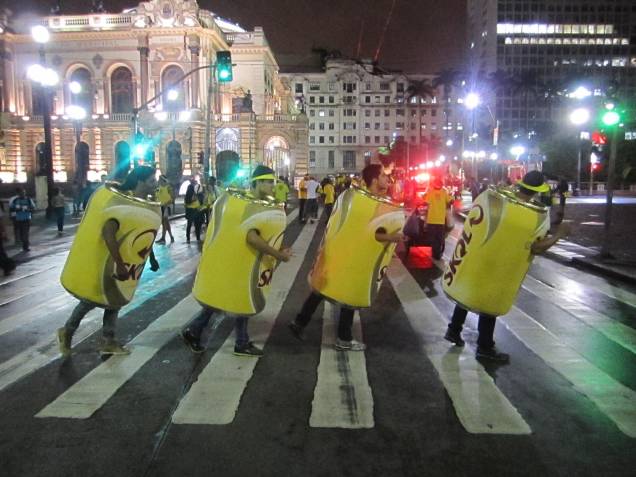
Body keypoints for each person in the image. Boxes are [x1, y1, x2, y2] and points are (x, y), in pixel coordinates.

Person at [444, 171, 571, 362]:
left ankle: (454, 329)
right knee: (490, 303)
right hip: (502, 266)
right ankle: (485, 347)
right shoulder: (535, 216)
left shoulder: (495, 200)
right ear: (537, 191)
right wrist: (558, 235)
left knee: (468, 294)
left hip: (480, 258)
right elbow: (537, 248)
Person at [288, 164, 404, 351]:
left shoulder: (356, 198)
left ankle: (299, 322)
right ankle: (343, 338)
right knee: (349, 294)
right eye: (383, 176)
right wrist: (393, 237)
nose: (387, 179)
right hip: (353, 256)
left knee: (322, 289)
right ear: (374, 180)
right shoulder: (368, 203)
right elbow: (371, 234)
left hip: (337, 251)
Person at [181, 165, 292, 356]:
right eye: (268, 182)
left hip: (241, 262)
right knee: (240, 301)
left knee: (226, 300)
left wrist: (277, 246)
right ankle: (238, 342)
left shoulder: (258, 203)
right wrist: (278, 254)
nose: (272, 186)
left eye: (272, 182)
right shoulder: (246, 204)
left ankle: (196, 331)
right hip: (239, 262)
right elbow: (252, 237)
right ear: (256, 183)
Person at [57, 166, 160, 357]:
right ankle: (67, 332)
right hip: (107, 262)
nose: (156, 185)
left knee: (114, 301)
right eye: (152, 181)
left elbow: (144, 235)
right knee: (91, 300)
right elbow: (108, 234)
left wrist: (151, 258)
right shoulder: (120, 203)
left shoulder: (144, 205)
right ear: (140, 181)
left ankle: (109, 341)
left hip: (124, 262)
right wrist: (119, 263)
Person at [422, 177, 452, 260]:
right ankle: (437, 253)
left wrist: (424, 196)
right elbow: (450, 201)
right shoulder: (444, 192)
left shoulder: (430, 192)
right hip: (440, 221)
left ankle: (436, 253)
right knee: (439, 238)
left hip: (431, 220)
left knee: (433, 238)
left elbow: (425, 201)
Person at [155, 175, 175, 244]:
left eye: (160, 179)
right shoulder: (158, 187)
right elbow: (156, 196)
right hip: (160, 206)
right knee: (166, 223)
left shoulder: (168, 187)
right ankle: (171, 236)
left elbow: (173, 198)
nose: (158, 180)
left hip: (166, 206)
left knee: (164, 221)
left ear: (163, 180)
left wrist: (167, 204)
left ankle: (163, 238)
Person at [184, 177, 203, 243]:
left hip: (197, 209)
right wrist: (193, 199)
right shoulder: (190, 188)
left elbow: (201, 198)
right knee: (190, 224)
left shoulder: (198, 189)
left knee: (197, 224)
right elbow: (187, 200)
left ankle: (197, 237)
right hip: (191, 210)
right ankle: (188, 238)